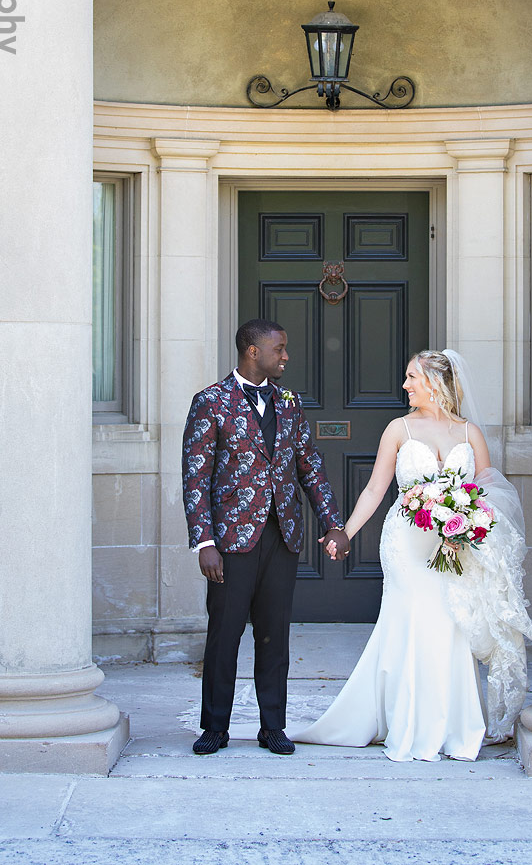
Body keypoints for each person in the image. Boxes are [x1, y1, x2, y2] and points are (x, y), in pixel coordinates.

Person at [290, 349, 532, 762]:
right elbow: (374, 489)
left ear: (435, 384)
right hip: (406, 543)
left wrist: (467, 525)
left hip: (454, 545)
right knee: (413, 620)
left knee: (449, 624)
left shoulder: (469, 433)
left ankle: (453, 725)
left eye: (411, 378)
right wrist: (344, 532)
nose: (404, 386)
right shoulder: (398, 429)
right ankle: (408, 722)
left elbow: (486, 491)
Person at [181, 319, 350, 756]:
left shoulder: (289, 403)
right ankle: (215, 726)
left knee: (274, 635)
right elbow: (195, 478)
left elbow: (309, 464)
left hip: (282, 537)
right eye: (279, 348)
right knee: (225, 635)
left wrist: (334, 522)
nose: (286, 356)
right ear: (252, 352)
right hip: (230, 543)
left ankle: (273, 726)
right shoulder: (210, 402)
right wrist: (205, 542)